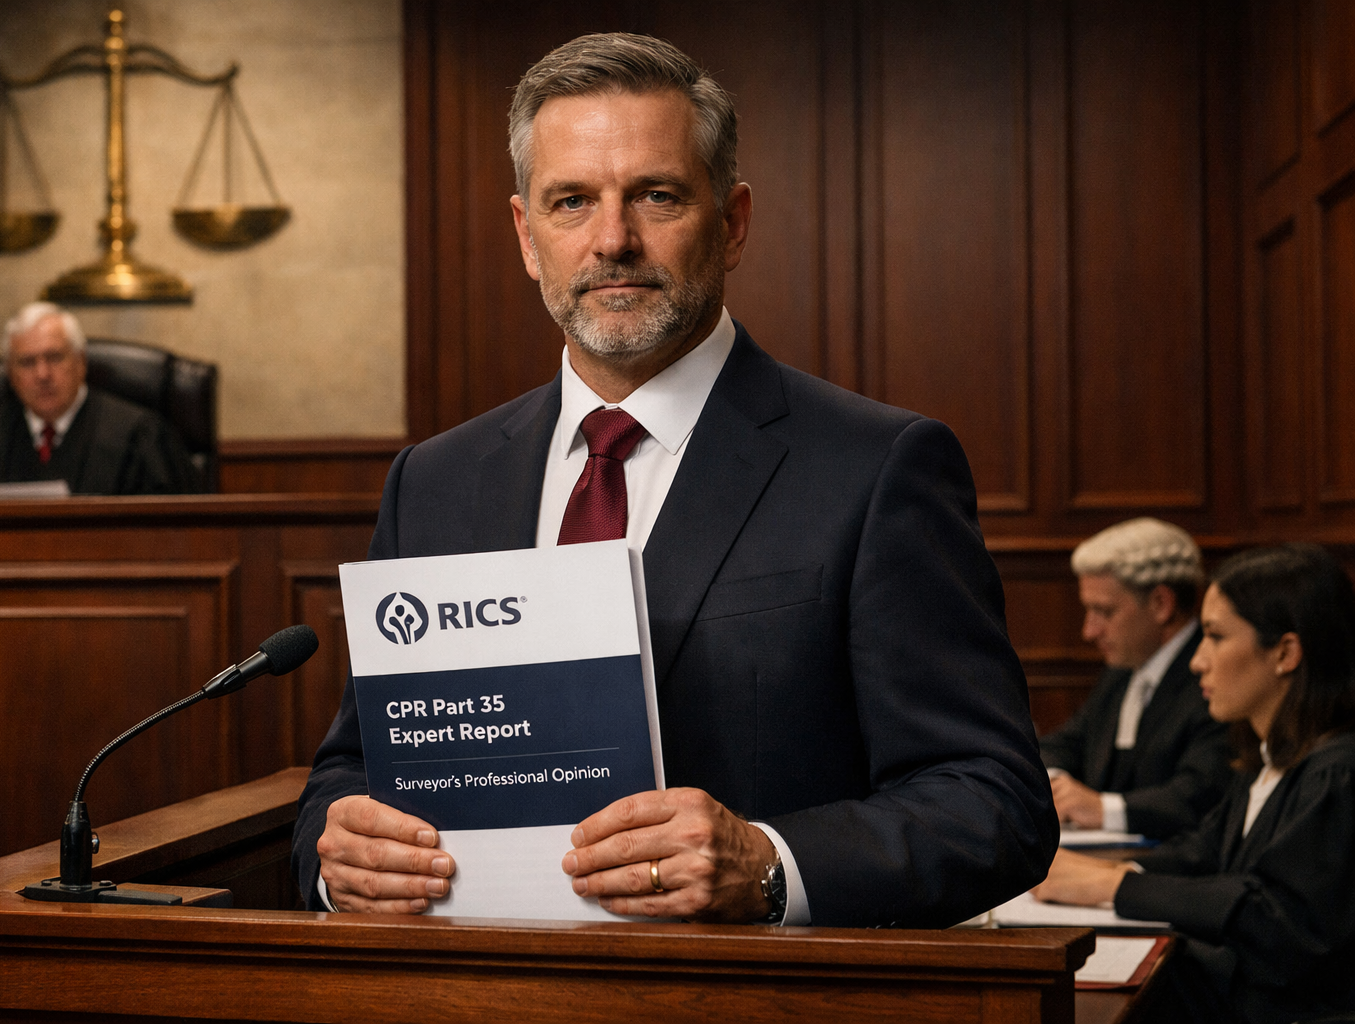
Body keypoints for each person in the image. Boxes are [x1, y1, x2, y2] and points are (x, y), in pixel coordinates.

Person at [292, 32, 1058, 928]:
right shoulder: (434, 480)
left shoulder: (878, 466)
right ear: (527, 236)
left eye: (657, 196)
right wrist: (337, 859)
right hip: (472, 983)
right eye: (572, 202)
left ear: (731, 223)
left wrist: (770, 866)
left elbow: (994, 801)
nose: (612, 240)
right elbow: (350, 771)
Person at [1033, 544, 1355, 1024]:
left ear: (1285, 653)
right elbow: (1202, 851)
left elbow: (1278, 922)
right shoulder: (1265, 763)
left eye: (1215, 637)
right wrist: (1097, 871)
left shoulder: (1335, 774)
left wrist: (1114, 884)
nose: (1197, 661)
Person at [1040, 518, 1233, 838]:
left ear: (1161, 604)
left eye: (1104, 611)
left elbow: (1203, 792)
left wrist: (1105, 810)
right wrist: (1057, 783)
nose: (1089, 631)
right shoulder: (1120, 673)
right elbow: (1063, 744)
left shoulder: (1215, 676)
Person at [0, 302, 202, 496]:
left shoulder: (139, 436)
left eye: (54, 358)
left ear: (81, 362)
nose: (43, 374)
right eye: (27, 362)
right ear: (10, 374)